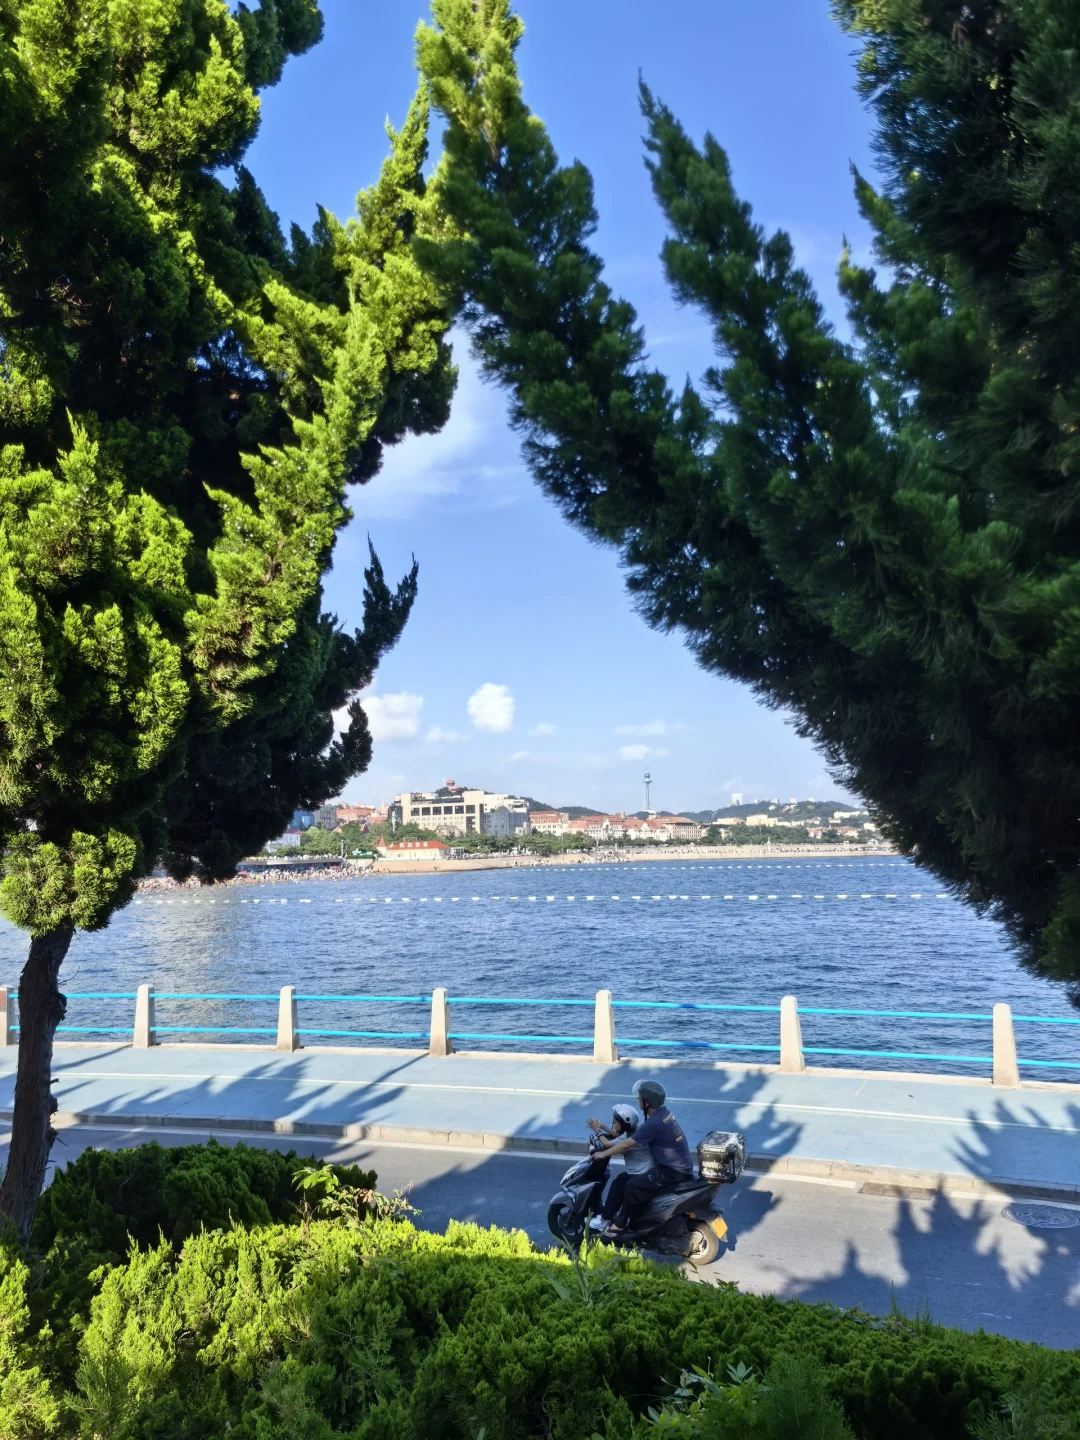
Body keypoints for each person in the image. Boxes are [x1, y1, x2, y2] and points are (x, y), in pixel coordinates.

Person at [597, 1079, 693, 1239]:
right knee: (622, 1180)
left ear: (647, 1102)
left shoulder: (653, 1123)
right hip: (679, 1165)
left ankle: (620, 1224)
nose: (638, 1100)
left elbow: (626, 1144)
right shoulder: (664, 1113)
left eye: (640, 1098)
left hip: (672, 1171)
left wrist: (603, 1154)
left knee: (632, 1186)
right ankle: (607, 1217)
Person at [585, 1103, 650, 1221]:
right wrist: (602, 1126)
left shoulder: (629, 1137)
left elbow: (607, 1144)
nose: (613, 1123)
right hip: (645, 1170)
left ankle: (604, 1219)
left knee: (617, 1184)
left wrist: (597, 1131)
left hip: (639, 1173)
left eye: (615, 1122)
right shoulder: (634, 1132)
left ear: (624, 1124)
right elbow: (617, 1136)